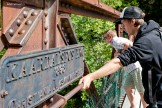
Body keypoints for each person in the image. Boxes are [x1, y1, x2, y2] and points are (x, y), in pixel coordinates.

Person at [79, 6, 162, 108]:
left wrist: (91, 76)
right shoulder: (152, 31)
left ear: (132, 21)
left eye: (123, 22)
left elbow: (118, 62)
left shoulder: (146, 41)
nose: (122, 26)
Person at [103, 29, 147, 108]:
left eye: (105, 38)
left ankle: (145, 106)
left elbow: (128, 45)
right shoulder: (116, 41)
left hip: (134, 67)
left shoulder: (116, 41)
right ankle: (133, 105)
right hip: (130, 69)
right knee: (127, 87)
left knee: (141, 91)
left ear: (109, 37)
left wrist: (119, 53)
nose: (104, 40)